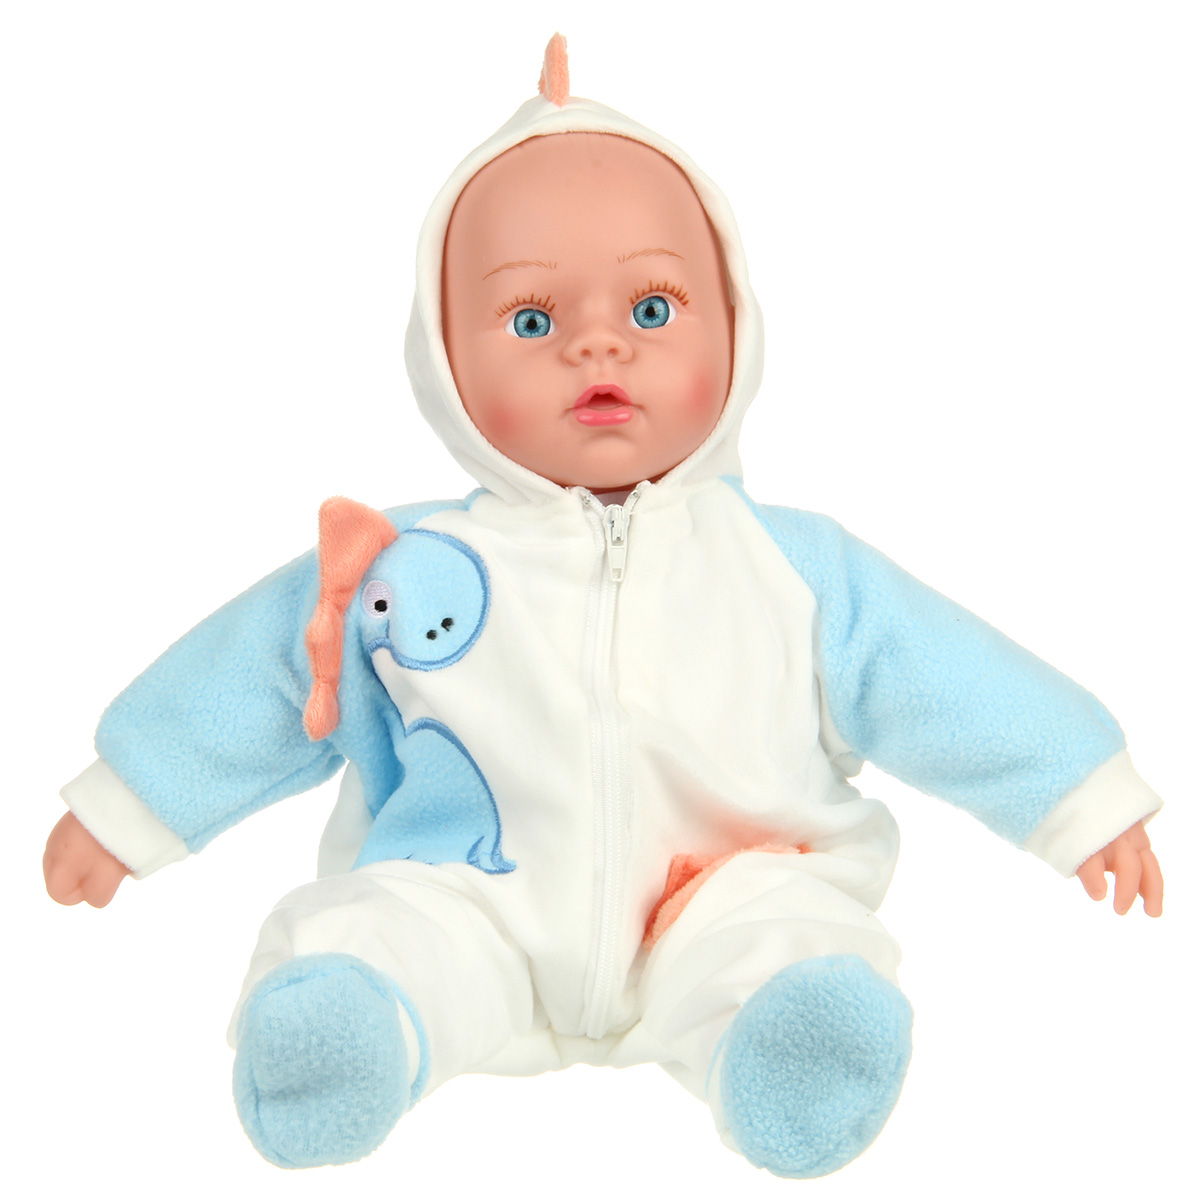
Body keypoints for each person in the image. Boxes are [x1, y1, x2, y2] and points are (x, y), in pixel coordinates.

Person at [43, 35, 1163, 1179]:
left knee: (787, 929)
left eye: (655, 305)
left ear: (737, 326)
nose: (598, 341)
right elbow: (264, 673)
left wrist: (1077, 792)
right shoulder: (404, 566)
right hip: (470, 896)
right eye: (531, 321)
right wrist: (133, 800)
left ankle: (785, 1044)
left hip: (721, 891)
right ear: (443, 363)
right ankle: (356, 1033)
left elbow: (948, 680)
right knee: (385, 928)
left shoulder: (792, 569)